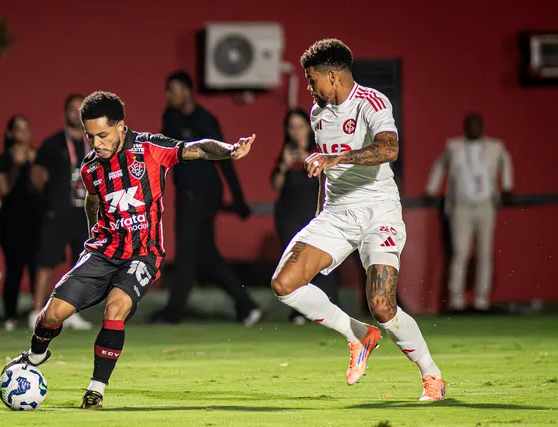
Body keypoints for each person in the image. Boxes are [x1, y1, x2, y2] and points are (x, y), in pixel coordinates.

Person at [4, 91, 256, 408]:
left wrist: (230, 151)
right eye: (90, 136)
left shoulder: (150, 148)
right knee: (51, 314)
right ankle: (36, 355)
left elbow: (197, 149)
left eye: (103, 135)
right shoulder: (90, 168)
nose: (97, 143)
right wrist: (91, 239)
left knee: (115, 309)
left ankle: (96, 389)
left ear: (121, 126)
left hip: (143, 254)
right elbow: (92, 200)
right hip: (101, 252)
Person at [269, 39, 445, 401]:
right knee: (284, 283)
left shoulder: (372, 102)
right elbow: (327, 173)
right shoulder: (318, 113)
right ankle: (358, 335)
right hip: (335, 214)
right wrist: (320, 213)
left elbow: (388, 148)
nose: (308, 87)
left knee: (382, 305)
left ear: (333, 76)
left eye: (311, 79)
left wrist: (338, 158)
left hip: (379, 213)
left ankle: (432, 376)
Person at [152, 71, 261, 326]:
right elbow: (164, 153)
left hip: (204, 195)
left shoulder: (204, 120)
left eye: (174, 90)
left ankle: (173, 313)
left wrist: (239, 199)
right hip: (185, 195)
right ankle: (247, 305)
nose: (169, 96)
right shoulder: (170, 118)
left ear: (187, 91)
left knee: (189, 254)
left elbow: (226, 158)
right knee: (204, 255)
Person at [426, 113, 513, 313]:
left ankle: (482, 300)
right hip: (461, 206)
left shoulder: (495, 146)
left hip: (486, 205)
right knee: (460, 252)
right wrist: (432, 189)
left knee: (485, 253)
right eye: (470, 125)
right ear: (464, 127)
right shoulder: (454, 146)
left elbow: (506, 162)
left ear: (482, 127)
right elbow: (440, 165)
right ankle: (457, 301)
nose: (474, 128)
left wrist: (507, 186)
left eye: (477, 125)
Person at [28, 94, 93, 330]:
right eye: (72, 109)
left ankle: (71, 311)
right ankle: (36, 310)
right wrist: (49, 199)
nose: (76, 113)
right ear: (65, 113)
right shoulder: (54, 143)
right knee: (46, 261)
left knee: (81, 264)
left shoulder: (95, 142)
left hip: (85, 214)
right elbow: (36, 175)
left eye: (80, 109)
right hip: (57, 213)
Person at [270, 108, 340, 324]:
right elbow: (275, 185)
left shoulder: (319, 151)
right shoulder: (285, 153)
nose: (295, 132)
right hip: (289, 213)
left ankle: (328, 309)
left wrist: (306, 160)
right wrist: (284, 165)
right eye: (291, 127)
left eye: (299, 127)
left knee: (321, 264)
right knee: (295, 261)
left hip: (314, 213)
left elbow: (331, 180)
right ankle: (300, 311)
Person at [0, 115, 43, 331]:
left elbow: (41, 185)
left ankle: (36, 313)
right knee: (13, 269)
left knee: (37, 268)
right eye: (18, 129)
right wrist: (15, 164)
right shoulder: (2, 160)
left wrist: (30, 163)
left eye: (26, 129)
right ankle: (10, 316)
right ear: (11, 133)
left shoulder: (37, 157)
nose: (22, 134)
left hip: (36, 219)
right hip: (11, 221)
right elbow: (3, 190)